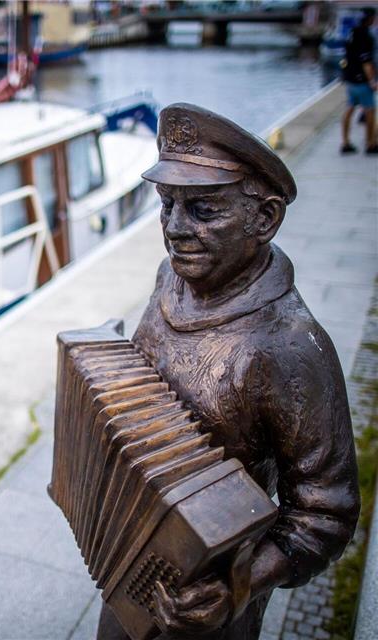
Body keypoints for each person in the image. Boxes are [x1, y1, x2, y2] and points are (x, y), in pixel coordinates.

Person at [96, 104, 361, 639]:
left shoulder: (292, 349)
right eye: (166, 204)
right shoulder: (168, 280)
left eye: (203, 210)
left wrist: (240, 584)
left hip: (210, 596)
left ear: (264, 219)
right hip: (133, 548)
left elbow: (326, 513)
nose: (174, 229)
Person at [341, 7, 377, 154]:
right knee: (370, 111)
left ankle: (345, 142)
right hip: (362, 81)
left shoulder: (352, 32)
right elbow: (366, 62)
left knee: (350, 108)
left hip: (350, 78)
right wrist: (372, 81)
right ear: (370, 19)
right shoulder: (366, 36)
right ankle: (370, 144)